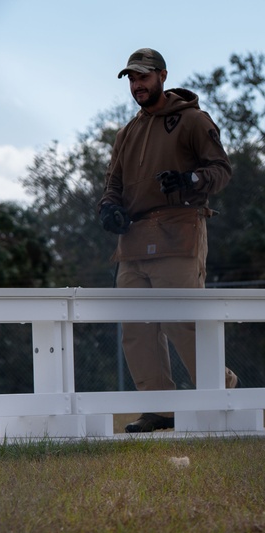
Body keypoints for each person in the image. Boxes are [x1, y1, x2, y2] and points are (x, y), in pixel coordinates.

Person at [98, 47, 237, 433]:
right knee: (136, 327)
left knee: (183, 323)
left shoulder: (192, 120)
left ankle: (222, 393)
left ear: (162, 75)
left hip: (179, 230)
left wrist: (190, 180)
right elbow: (113, 184)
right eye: (132, 78)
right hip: (134, 239)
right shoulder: (127, 132)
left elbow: (221, 170)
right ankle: (160, 409)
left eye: (143, 76)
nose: (137, 85)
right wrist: (108, 209)